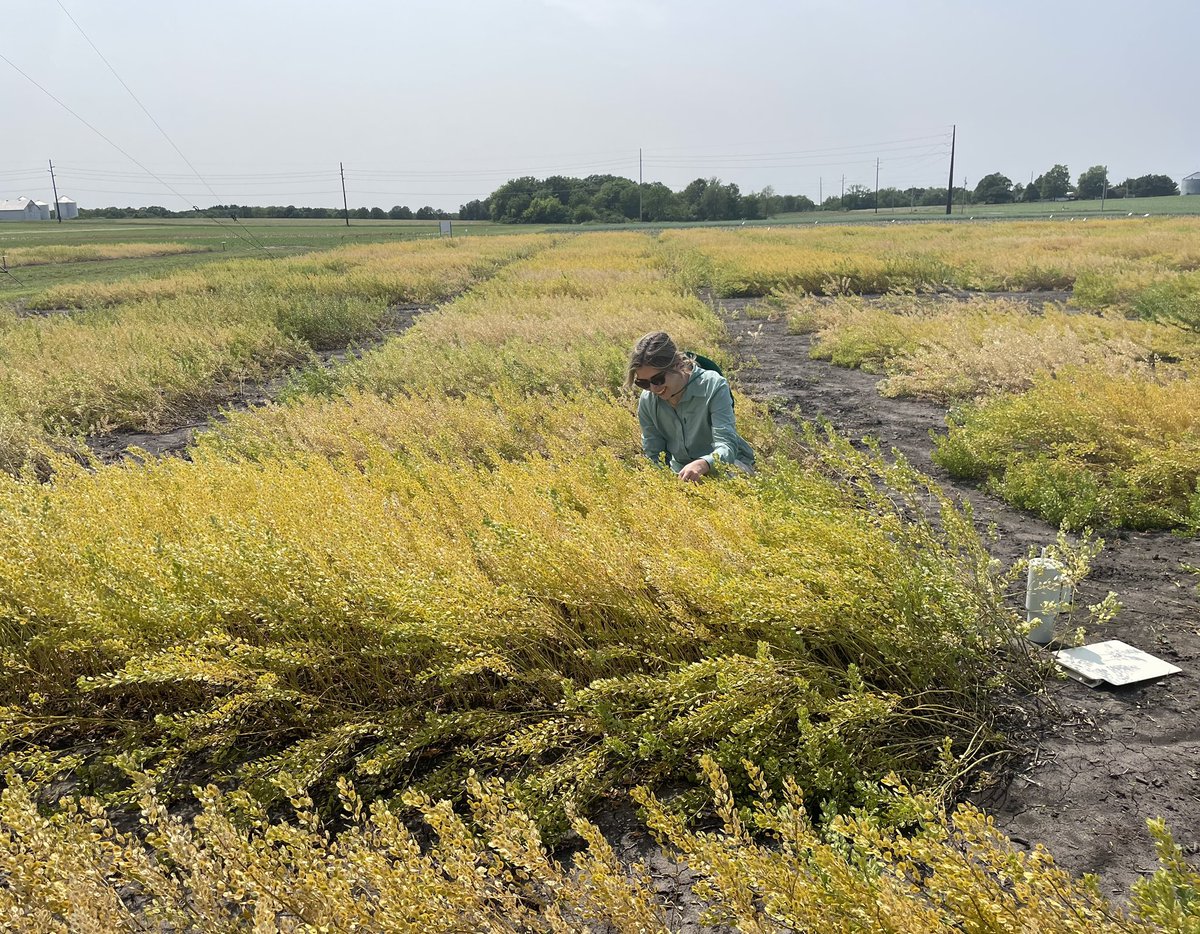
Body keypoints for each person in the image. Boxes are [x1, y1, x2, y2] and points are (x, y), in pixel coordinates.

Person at [626, 331, 754, 482]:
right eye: (643, 383)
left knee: (731, 481)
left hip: (728, 466)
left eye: (658, 379)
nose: (653, 388)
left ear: (678, 364)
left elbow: (727, 446)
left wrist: (703, 464)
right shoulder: (648, 400)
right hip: (680, 472)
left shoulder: (713, 386)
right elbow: (654, 454)